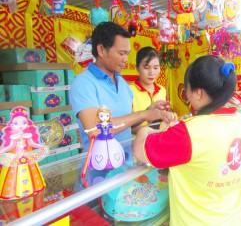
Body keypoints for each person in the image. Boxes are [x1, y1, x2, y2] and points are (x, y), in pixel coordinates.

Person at [133, 55, 241, 225]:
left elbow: (140, 150)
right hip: (236, 219)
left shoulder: (190, 132)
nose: (186, 94)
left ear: (198, 93)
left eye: (186, 88)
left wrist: (146, 129)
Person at [70, 22, 173, 156]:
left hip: (126, 165)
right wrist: (143, 114)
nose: (125, 59)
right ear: (101, 50)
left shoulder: (122, 83)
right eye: (121, 53)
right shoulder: (83, 83)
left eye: (127, 53)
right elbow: (95, 130)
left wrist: (149, 111)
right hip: (100, 170)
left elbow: (127, 123)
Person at [0, 106, 48, 199]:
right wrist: (2, 151)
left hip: (26, 157)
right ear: (12, 124)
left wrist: (42, 147)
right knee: (12, 175)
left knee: (33, 173)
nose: (20, 126)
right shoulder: (13, 137)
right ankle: (14, 191)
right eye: (16, 123)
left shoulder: (28, 135)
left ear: (28, 123)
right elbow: (10, 146)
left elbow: (32, 143)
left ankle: (33, 187)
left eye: (24, 122)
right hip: (16, 158)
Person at [129, 46, 169, 132]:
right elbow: (127, 126)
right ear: (137, 68)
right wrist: (152, 129)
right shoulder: (129, 90)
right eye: (146, 68)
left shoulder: (162, 90)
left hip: (158, 139)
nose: (152, 73)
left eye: (156, 68)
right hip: (137, 142)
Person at [83, 106, 126, 170]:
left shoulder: (109, 125)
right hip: (101, 138)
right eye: (102, 116)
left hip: (109, 137)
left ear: (109, 116)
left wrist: (121, 125)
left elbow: (115, 127)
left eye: (106, 116)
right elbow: (94, 128)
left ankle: (112, 162)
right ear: (99, 117)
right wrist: (88, 130)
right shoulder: (99, 125)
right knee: (99, 151)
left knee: (113, 151)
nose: (104, 118)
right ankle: (100, 163)